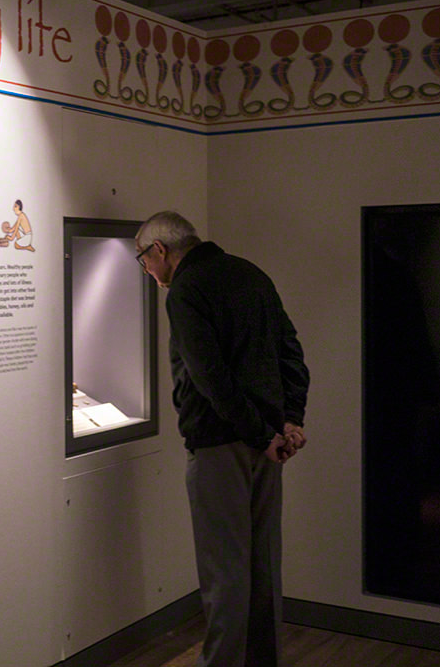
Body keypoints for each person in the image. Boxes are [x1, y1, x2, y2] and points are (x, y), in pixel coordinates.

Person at [134, 211, 309, 667]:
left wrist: (259, 432)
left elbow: (210, 378)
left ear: (160, 251)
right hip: (270, 444)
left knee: (224, 573)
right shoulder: (251, 274)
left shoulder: (187, 290)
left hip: (220, 446)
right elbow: (290, 352)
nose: (148, 272)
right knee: (264, 564)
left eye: (143, 261)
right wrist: (289, 422)